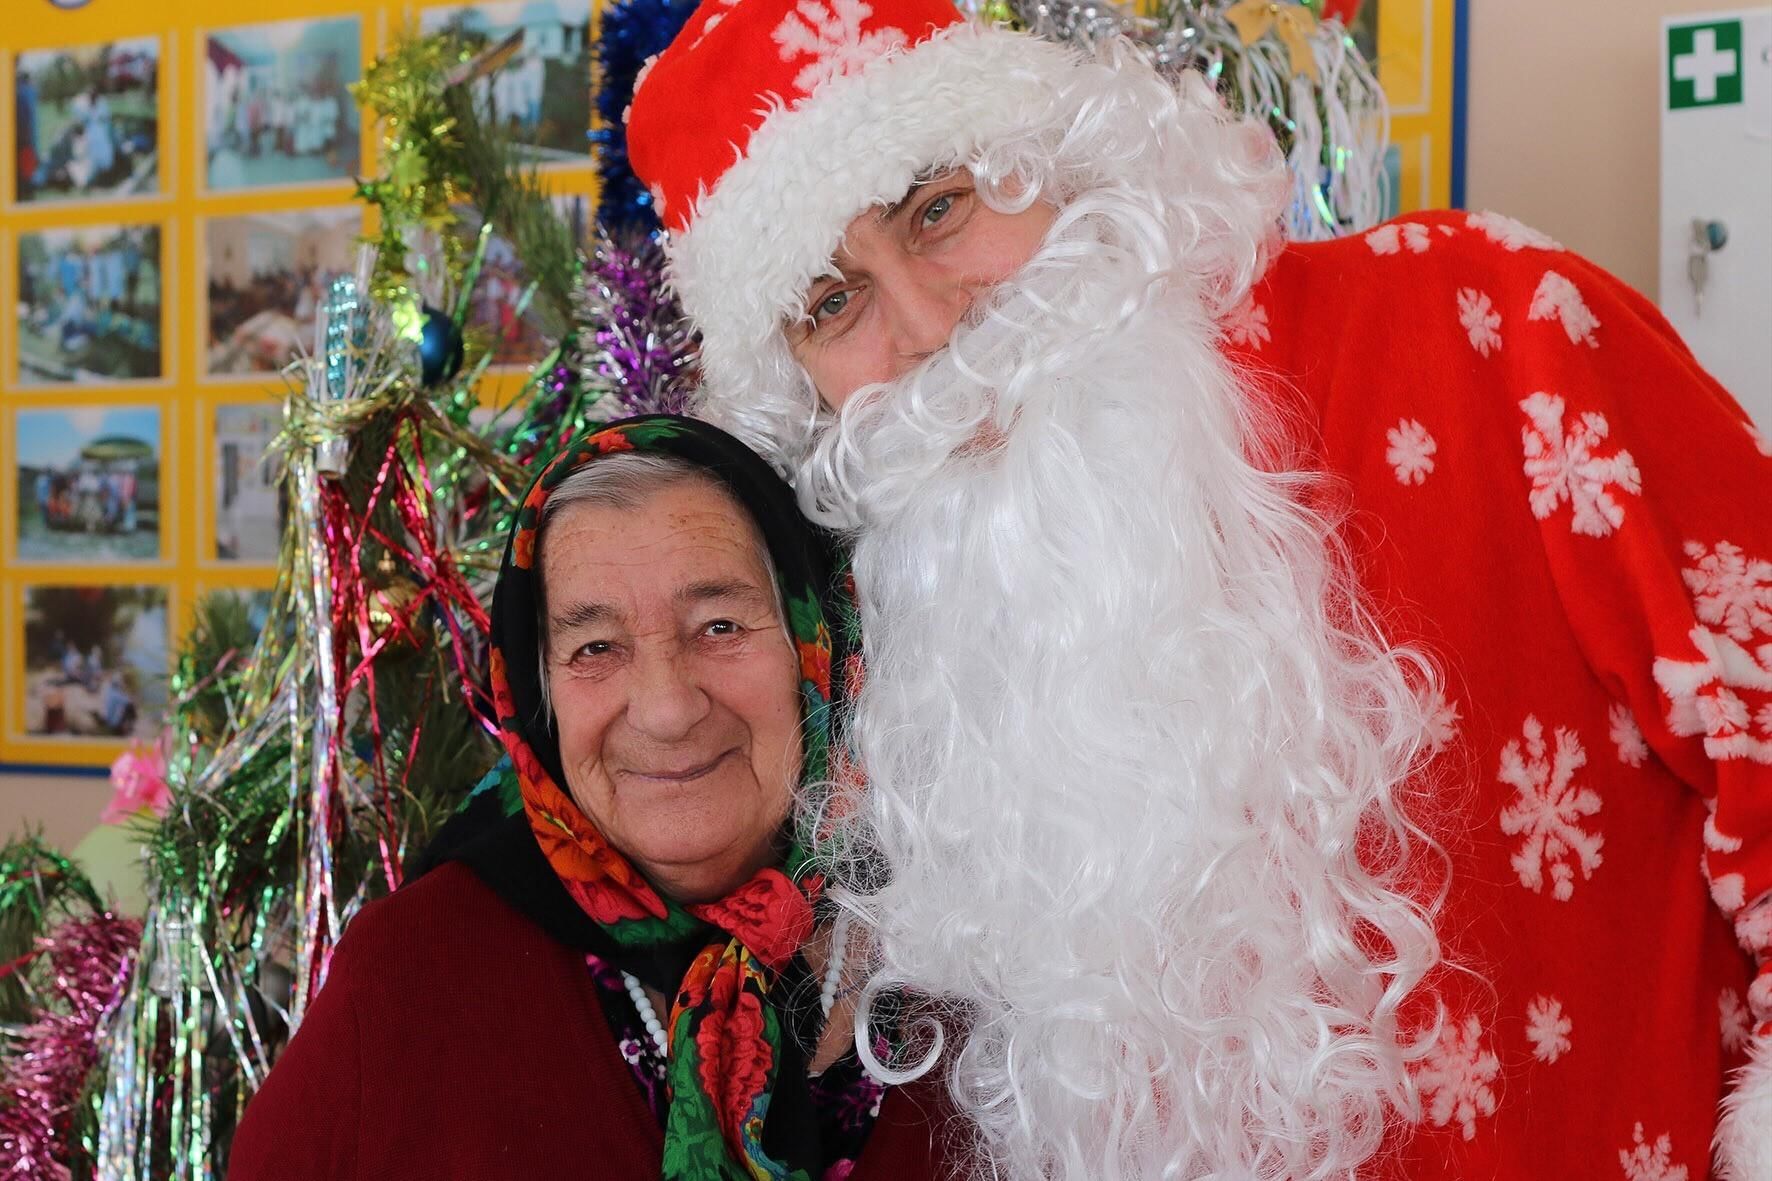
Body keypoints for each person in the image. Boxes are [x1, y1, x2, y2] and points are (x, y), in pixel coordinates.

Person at [625, 4, 1772, 1178]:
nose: (929, 325)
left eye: (938, 209)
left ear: (1058, 159)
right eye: (833, 303)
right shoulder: (902, 645)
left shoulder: (1489, 327)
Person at [228, 417, 957, 1179]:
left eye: (720, 624)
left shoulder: (968, 948)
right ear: (540, 700)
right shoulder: (411, 978)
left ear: (815, 647)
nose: (666, 706)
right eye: (596, 647)